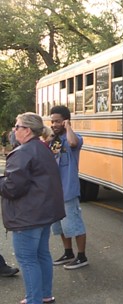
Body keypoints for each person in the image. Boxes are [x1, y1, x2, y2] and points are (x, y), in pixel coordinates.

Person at [0, 112, 65, 304]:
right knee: (42, 254)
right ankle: (45, 295)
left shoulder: (22, 153)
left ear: (27, 130)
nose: (14, 129)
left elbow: (12, 188)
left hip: (27, 215)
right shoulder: (42, 147)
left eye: (17, 126)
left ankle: (33, 299)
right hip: (44, 213)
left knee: (28, 259)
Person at [49, 105, 88, 270]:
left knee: (74, 224)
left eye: (57, 121)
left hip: (68, 190)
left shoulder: (74, 137)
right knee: (60, 226)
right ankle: (68, 252)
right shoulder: (55, 141)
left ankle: (82, 256)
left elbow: (73, 143)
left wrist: (68, 127)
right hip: (54, 192)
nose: (54, 124)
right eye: (52, 121)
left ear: (65, 121)